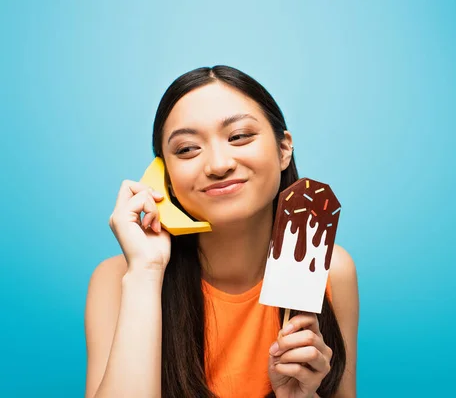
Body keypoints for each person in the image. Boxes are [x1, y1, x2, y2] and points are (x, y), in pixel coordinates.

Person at [84, 65, 359, 398]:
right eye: (187, 149)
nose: (218, 165)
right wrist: (145, 272)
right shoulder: (119, 279)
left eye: (239, 136)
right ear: (164, 175)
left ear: (284, 148)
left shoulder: (332, 271)